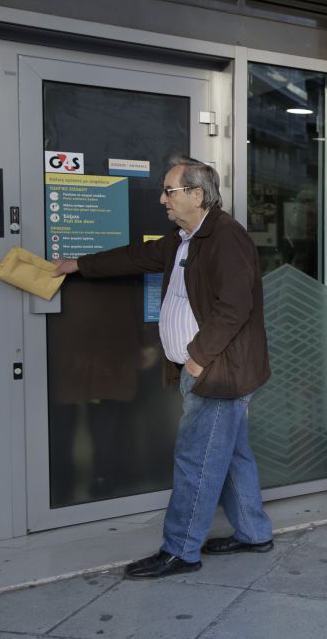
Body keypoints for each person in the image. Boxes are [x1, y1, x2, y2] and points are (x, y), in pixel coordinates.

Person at [53, 156, 274, 579]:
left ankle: (181, 550)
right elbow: (136, 257)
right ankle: (253, 531)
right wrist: (76, 265)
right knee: (231, 455)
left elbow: (235, 307)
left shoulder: (227, 238)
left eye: (169, 191)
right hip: (207, 370)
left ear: (196, 194)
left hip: (216, 373)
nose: (162, 199)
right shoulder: (184, 238)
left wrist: (196, 359)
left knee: (196, 460)